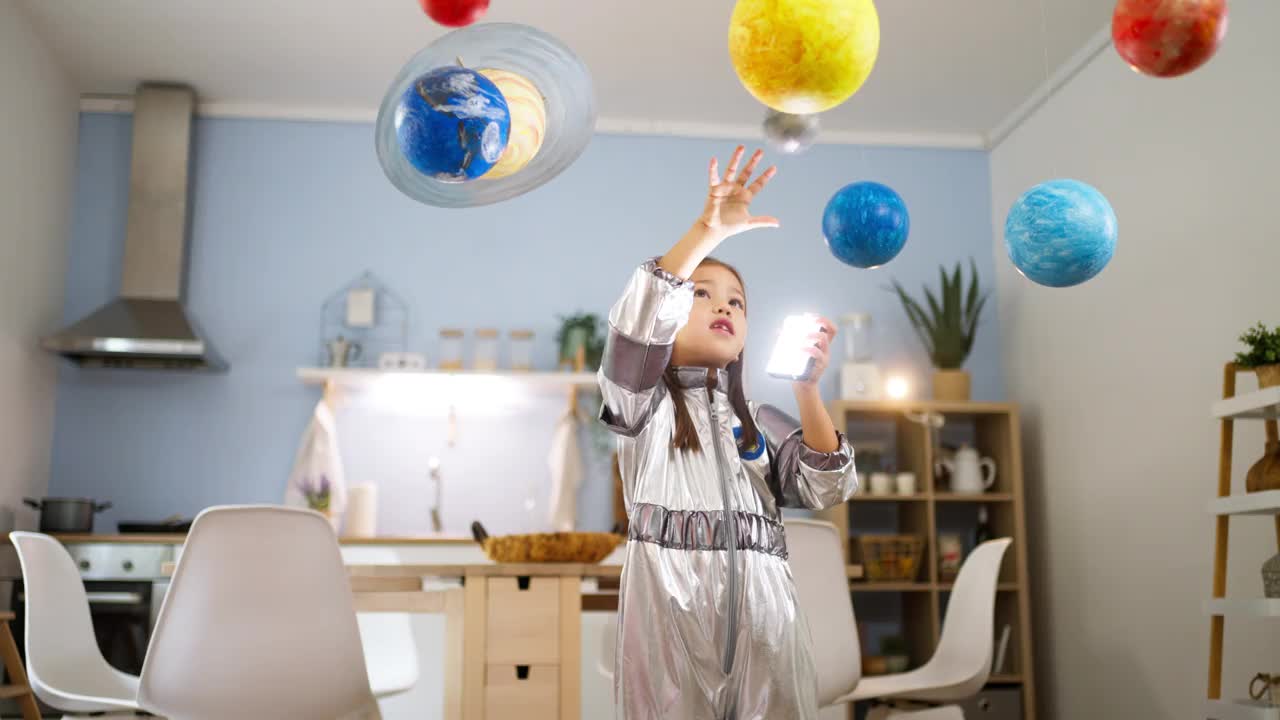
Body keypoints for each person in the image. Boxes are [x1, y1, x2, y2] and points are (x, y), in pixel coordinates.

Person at [598, 145, 859, 719]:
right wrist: (705, 233)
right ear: (668, 315)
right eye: (702, 293)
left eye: (737, 302)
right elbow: (634, 329)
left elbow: (827, 487)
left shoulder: (758, 421)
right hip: (667, 607)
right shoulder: (643, 406)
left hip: (768, 613)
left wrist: (808, 389)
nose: (725, 306)